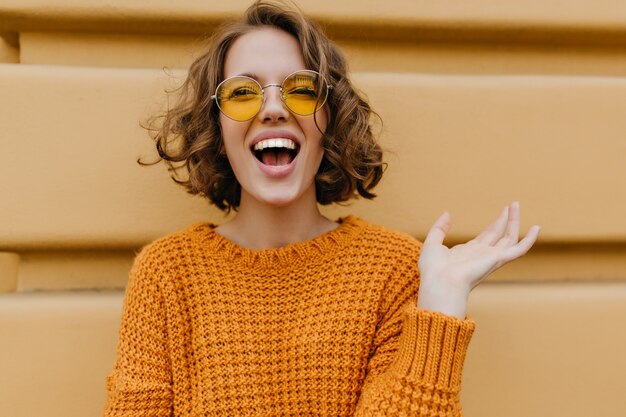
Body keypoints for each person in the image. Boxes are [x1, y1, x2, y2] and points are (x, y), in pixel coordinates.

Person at [103, 1, 540, 416]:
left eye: (301, 89)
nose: (273, 108)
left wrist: (440, 309)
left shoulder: (396, 271)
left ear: (330, 118)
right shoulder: (166, 275)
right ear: (216, 127)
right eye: (242, 93)